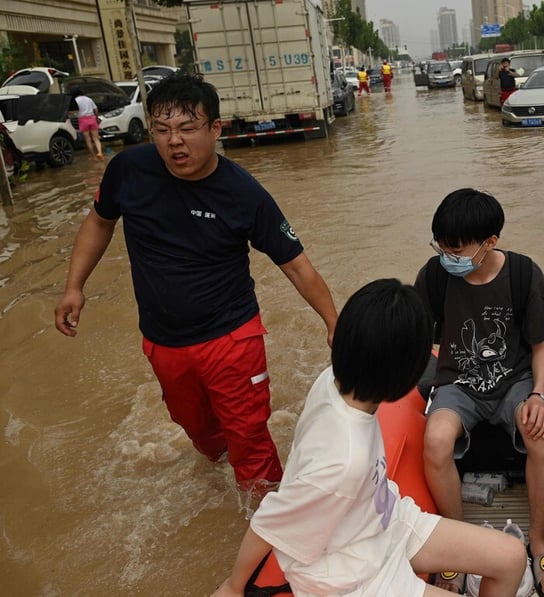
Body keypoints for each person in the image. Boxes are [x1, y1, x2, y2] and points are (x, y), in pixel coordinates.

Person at [53, 71, 338, 498]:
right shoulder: (128, 171)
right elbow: (99, 221)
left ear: (215, 129)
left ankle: (272, 530)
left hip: (232, 337)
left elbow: (296, 265)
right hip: (163, 341)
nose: (174, 142)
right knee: (201, 435)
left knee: (250, 441)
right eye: (162, 130)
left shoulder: (243, 193)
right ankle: (224, 475)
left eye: (188, 129)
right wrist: (74, 286)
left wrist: (334, 322)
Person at [211, 279, 527, 597]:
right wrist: (233, 586)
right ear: (406, 377)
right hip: (348, 572)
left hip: (384, 520)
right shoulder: (344, 461)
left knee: (512, 557)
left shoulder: (332, 379)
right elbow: (272, 519)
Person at [414, 188, 544, 597]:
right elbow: (413, 337)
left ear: (490, 243)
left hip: (514, 382)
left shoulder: (521, 273)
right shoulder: (434, 275)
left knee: (540, 433)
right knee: (436, 440)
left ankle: (536, 537)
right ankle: (459, 537)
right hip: (457, 384)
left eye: (457, 249)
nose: (449, 256)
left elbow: (540, 347)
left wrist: (537, 395)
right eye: (441, 246)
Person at [71, 89, 103, 160]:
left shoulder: (75, 100)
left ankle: (94, 157)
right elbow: (96, 109)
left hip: (82, 120)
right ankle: (100, 152)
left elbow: (74, 113)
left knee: (88, 140)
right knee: (96, 139)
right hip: (92, 118)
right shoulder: (89, 99)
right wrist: (96, 117)